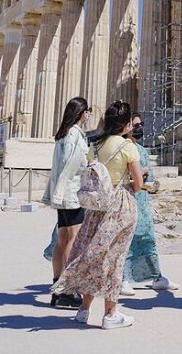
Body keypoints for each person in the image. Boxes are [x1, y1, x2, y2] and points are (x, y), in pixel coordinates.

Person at [53, 100, 143, 329]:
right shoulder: (127, 146)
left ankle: (84, 310)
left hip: (96, 206)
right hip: (119, 206)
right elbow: (139, 183)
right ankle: (111, 314)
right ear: (125, 124)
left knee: (93, 255)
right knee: (113, 260)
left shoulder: (94, 145)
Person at [119, 111, 178, 295]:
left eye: (141, 124)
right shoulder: (123, 148)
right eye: (136, 126)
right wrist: (138, 174)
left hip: (143, 201)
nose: (140, 128)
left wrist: (143, 174)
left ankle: (156, 276)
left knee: (147, 238)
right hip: (128, 199)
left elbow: (149, 176)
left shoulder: (142, 150)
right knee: (127, 240)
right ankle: (123, 279)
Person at [43, 96, 90, 309]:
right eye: (87, 111)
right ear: (81, 113)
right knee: (73, 239)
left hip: (61, 193)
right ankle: (69, 290)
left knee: (62, 239)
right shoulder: (75, 135)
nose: (89, 115)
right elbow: (72, 166)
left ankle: (57, 288)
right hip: (70, 192)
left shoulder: (62, 134)